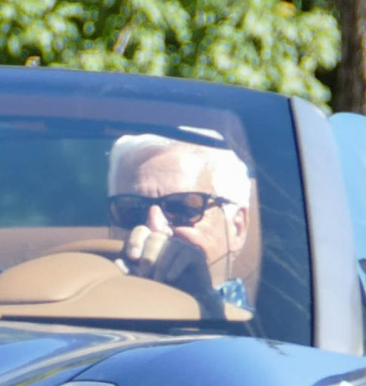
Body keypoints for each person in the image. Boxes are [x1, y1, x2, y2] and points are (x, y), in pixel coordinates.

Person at [107, 134, 259, 316]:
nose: (155, 227)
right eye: (131, 209)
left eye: (182, 207)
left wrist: (206, 307)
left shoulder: (263, 334)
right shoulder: (85, 312)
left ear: (237, 227)